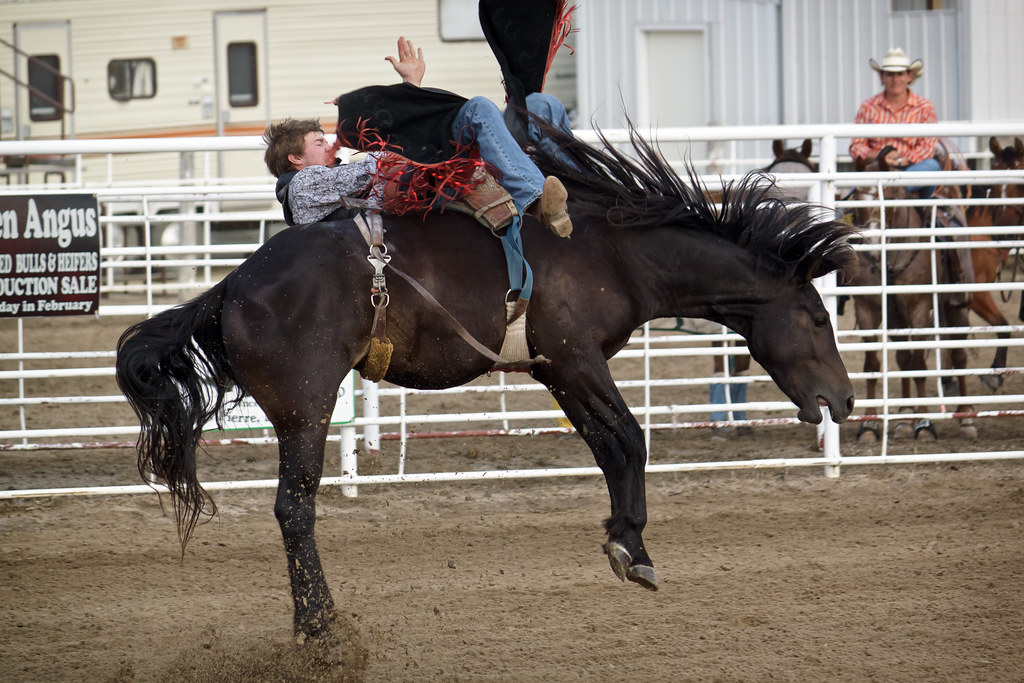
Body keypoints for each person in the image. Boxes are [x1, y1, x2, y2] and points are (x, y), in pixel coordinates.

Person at [265, 37, 573, 239]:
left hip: (432, 170)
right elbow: (382, 163)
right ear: (296, 159)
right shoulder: (302, 188)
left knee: (539, 106)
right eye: (319, 143)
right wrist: (375, 110)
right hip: (429, 183)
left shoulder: (333, 178)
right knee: (479, 109)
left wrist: (409, 89)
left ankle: (576, 186)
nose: (329, 144)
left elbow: (392, 154)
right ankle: (534, 199)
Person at [849, 48, 939, 184]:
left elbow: (927, 147)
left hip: (912, 167)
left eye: (900, 74)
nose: (895, 79)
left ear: (909, 76)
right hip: (877, 167)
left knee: (931, 166)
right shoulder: (868, 106)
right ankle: (897, 187)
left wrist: (900, 160)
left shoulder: (924, 107)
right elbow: (856, 145)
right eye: (890, 74)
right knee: (847, 199)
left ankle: (896, 187)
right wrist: (881, 157)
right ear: (882, 77)